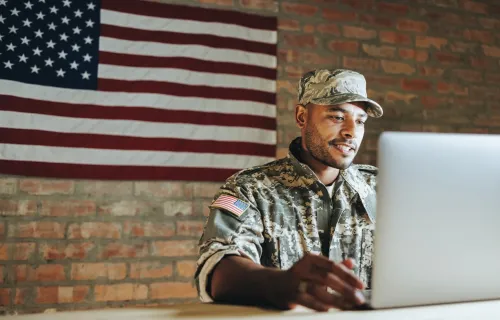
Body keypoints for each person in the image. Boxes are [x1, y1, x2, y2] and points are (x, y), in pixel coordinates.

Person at [194, 69, 384, 312]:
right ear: (302, 117)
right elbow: (218, 270)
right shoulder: (251, 189)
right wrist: (280, 283)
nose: (351, 132)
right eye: (337, 117)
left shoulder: (383, 189)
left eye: (360, 121)